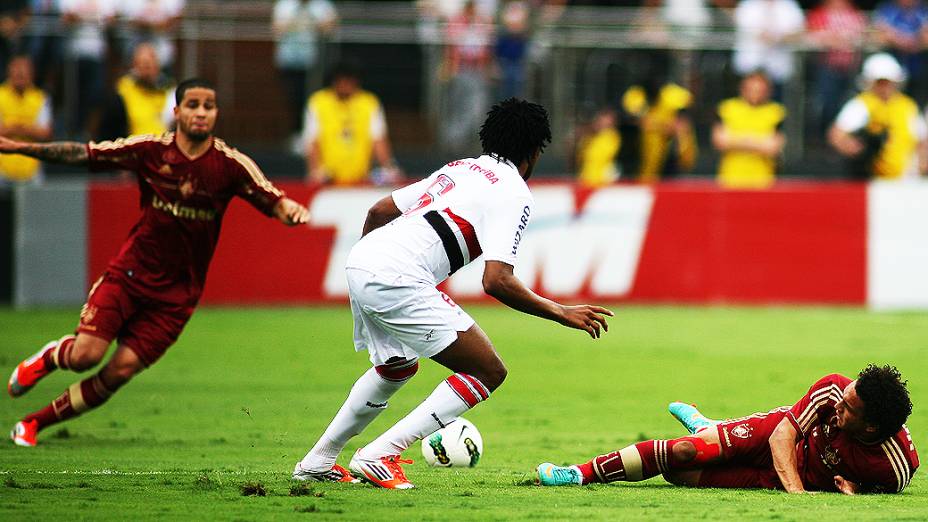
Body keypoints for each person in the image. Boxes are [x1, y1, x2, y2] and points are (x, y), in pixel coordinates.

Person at [292, 98, 613, 488]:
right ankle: (380, 454)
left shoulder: (460, 167)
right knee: (487, 370)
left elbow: (378, 211)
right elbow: (497, 280)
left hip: (362, 260)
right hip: (397, 275)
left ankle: (318, 460)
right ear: (533, 152)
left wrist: (370, 273)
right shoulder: (514, 191)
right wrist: (561, 312)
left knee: (396, 367)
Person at [5, 78, 310, 447]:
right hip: (130, 274)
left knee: (121, 370)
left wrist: (287, 209)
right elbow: (86, 153)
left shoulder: (230, 165)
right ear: (177, 111)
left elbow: (271, 198)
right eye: (193, 105)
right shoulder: (150, 150)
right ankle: (50, 357)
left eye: (208, 106)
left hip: (178, 295)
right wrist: (21, 148)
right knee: (87, 355)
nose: (201, 113)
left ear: (216, 114)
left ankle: (34, 423)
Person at [537, 364, 918, 494]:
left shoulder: (895, 466)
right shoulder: (834, 388)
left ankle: (710, 427)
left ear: (872, 426)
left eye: (848, 409)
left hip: (775, 478)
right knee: (685, 451)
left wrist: (855, 487)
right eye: (845, 396)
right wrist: (800, 496)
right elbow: (783, 435)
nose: (838, 404)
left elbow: (875, 487)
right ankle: (578, 474)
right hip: (776, 436)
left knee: (679, 474)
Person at [828, 52, 928, 180]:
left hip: (906, 179)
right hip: (872, 178)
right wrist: (859, 151)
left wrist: (922, 163)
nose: (885, 87)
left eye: (888, 82)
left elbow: (922, 141)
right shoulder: (861, 104)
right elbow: (836, 135)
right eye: (881, 82)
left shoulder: (907, 106)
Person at [303, 61, 401, 186]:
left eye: (349, 81)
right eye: (342, 81)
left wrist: (389, 167)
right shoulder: (318, 102)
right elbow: (312, 140)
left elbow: (378, 140)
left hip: (360, 178)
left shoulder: (369, 103)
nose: (345, 85)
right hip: (328, 178)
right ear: (334, 81)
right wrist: (314, 170)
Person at [272, 0, 338, 140]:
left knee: (315, 99)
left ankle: (314, 135)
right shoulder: (284, 5)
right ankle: (296, 134)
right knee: (294, 99)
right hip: (289, 60)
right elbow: (277, 28)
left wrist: (310, 22)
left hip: (314, 62)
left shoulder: (322, 5)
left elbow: (331, 26)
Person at [713, 71, 786, 189]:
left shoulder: (775, 111)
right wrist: (758, 142)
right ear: (742, 88)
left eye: (759, 91)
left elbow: (773, 147)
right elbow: (720, 141)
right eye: (751, 89)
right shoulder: (727, 108)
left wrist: (736, 140)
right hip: (730, 180)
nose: (755, 94)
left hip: (763, 181)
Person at [806, 0, 867, 134]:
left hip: (851, 68)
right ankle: (826, 135)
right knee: (827, 104)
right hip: (827, 67)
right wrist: (831, 40)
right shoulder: (819, 13)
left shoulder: (854, 13)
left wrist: (843, 40)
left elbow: (863, 34)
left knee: (850, 103)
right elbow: (811, 34)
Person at [621, 78, 697, 183]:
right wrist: (664, 126)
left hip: (670, 150)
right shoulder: (636, 95)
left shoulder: (672, 94)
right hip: (643, 151)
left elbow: (681, 122)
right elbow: (635, 119)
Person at [97, 43, 174, 140]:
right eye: (143, 63)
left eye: (150, 63)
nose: (147, 68)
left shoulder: (169, 91)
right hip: (133, 147)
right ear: (134, 65)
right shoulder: (121, 93)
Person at [732, 0, 805, 99]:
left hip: (778, 67)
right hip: (750, 63)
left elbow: (798, 30)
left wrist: (778, 38)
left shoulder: (789, 5)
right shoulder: (748, 4)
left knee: (776, 101)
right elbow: (744, 27)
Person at [0, 55, 52, 185]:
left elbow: (46, 133)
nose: (20, 75)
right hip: (2, 169)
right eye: (17, 71)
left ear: (32, 74)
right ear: (9, 72)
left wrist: (13, 128)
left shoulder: (40, 98)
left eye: (24, 72)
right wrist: (27, 129)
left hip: (32, 169)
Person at [873, 0, 928, 105]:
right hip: (894, 62)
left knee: (919, 101)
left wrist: (914, 42)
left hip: (920, 65)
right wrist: (901, 40)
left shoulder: (924, 10)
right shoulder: (887, 8)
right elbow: (880, 33)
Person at [576, 107, 620, 188]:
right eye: (601, 119)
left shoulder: (611, 136)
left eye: (605, 120)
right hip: (586, 179)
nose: (602, 122)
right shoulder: (589, 137)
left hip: (602, 181)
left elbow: (600, 155)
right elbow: (580, 157)